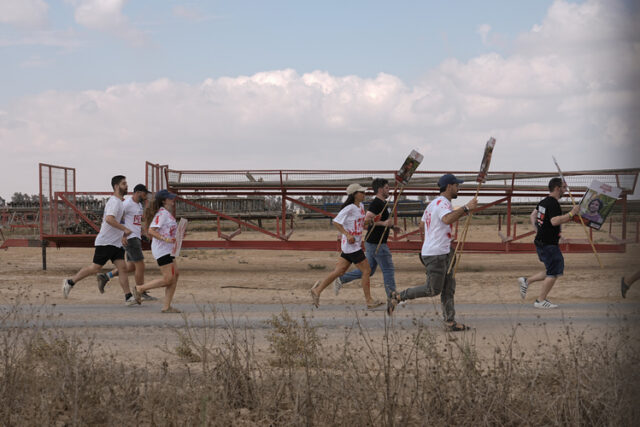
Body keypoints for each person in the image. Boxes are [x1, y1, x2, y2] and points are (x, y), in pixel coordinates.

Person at [386, 174, 478, 332]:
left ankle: (450, 321)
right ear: (449, 186)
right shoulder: (443, 203)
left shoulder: (433, 204)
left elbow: (423, 226)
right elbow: (447, 219)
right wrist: (466, 208)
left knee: (449, 287)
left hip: (442, 250)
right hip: (436, 254)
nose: (458, 188)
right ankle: (398, 296)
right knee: (433, 289)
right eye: (457, 185)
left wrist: (442, 233)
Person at [62, 175, 138, 305]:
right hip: (106, 242)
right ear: (116, 186)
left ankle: (128, 297)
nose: (127, 186)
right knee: (95, 268)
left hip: (116, 243)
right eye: (124, 184)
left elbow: (120, 221)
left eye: (126, 183)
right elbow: (109, 219)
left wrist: (123, 235)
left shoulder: (120, 202)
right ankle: (70, 282)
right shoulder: (114, 202)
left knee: (123, 268)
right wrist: (124, 229)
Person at [310, 183, 384, 310]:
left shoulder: (360, 206)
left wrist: (372, 220)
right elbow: (336, 222)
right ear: (355, 195)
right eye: (361, 192)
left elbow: (361, 222)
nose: (364, 194)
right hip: (352, 246)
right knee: (367, 271)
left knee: (339, 271)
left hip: (351, 245)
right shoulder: (349, 208)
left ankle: (317, 290)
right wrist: (347, 234)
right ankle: (369, 301)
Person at [517, 177, 579, 308]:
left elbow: (533, 215)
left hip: (542, 242)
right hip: (548, 244)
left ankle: (526, 281)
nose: (565, 191)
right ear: (557, 188)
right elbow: (554, 221)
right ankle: (540, 301)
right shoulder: (553, 203)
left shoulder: (544, 202)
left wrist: (539, 231)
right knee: (554, 271)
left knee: (551, 269)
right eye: (563, 188)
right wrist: (572, 214)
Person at [334, 178, 401, 298]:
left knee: (369, 270)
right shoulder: (376, 203)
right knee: (388, 269)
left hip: (373, 242)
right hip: (377, 242)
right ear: (380, 190)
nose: (389, 190)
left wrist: (391, 226)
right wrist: (384, 223)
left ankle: (341, 279)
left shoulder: (383, 203)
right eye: (386, 188)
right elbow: (367, 220)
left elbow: (378, 220)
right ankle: (393, 297)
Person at [96, 184, 157, 301]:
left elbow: (136, 222)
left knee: (131, 266)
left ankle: (105, 276)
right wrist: (123, 235)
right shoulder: (127, 204)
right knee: (140, 265)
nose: (145, 197)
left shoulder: (138, 205)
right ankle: (141, 291)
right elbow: (118, 218)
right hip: (131, 238)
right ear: (138, 192)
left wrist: (144, 233)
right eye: (144, 194)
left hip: (135, 237)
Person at [131, 189, 181, 313]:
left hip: (169, 249)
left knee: (175, 275)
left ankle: (167, 307)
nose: (172, 199)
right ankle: (140, 288)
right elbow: (151, 231)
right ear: (164, 201)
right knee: (168, 279)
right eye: (170, 198)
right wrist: (166, 239)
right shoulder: (162, 214)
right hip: (162, 250)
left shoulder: (166, 213)